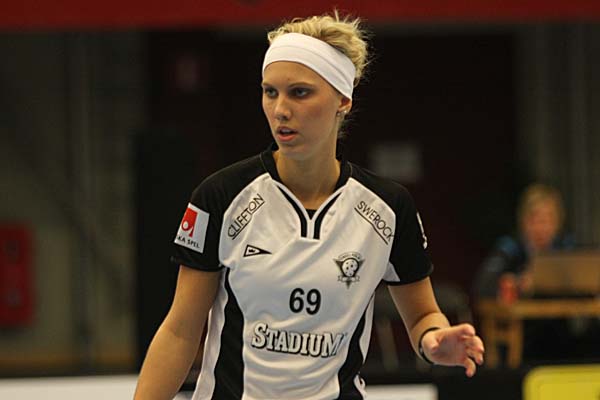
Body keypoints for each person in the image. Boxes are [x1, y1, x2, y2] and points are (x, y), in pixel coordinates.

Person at [134, 11, 484, 400]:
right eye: (270, 92)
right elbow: (180, 331)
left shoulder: (388, 207)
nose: (280, 109)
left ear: (343, 100)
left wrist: (434, 341)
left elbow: (422, 317)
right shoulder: (220, 196)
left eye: (299, 92)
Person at [474, 183, 574, 302]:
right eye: (535, 219)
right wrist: (517, 283)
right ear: (523, 220)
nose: (542, 227)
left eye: (548, 219)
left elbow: (583, 289)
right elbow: (483, 286)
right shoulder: (510, 247)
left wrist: (548, 283)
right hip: (521, 313)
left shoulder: (566, 249)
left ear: (558, 222)